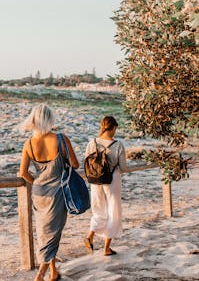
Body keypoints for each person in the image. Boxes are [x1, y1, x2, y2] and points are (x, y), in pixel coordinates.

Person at [19, 104, 79, 281]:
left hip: (38, 193)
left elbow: (23, 173)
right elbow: (75, 164)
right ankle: (40, 275)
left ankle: (53, 272)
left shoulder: (29, 143)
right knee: (53, 234)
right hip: (57, 193)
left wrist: (38, 182)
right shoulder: (61, 139)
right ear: (50, 119)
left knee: (45, 232)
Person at [83, 116, 127, 256]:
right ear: (113, 127)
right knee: (113, 211)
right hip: (112, 179)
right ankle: (106, 248)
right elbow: (123, 167)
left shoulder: (92, 142)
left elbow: (86, 161)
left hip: (95, 180)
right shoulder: (118, 145)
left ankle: (90, 236)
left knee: (99, 210)